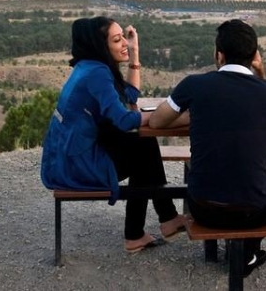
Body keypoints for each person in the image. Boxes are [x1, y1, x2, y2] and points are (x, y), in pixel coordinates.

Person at [148, 19, 266, 276]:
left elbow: (157, 121)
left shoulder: (194, 85)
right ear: (255, 55)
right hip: (254, 210)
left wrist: (198, 113)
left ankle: (239, 253)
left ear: (218, 55)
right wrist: (261, 72)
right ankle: (248, 252)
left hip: (203, 208)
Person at [41, 16, 188, 253]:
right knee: (144, 148)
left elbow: (129, 95)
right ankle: (160, 221)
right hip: (76, 164)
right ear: (101, 45)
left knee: (143, 146)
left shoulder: (90, 66)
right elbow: (123, 119)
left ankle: (148, 228)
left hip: (69, 155)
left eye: (124, 39)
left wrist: (135, 52)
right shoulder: (96, 73)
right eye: (117, 40)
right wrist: (163, 116)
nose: (125, 45)